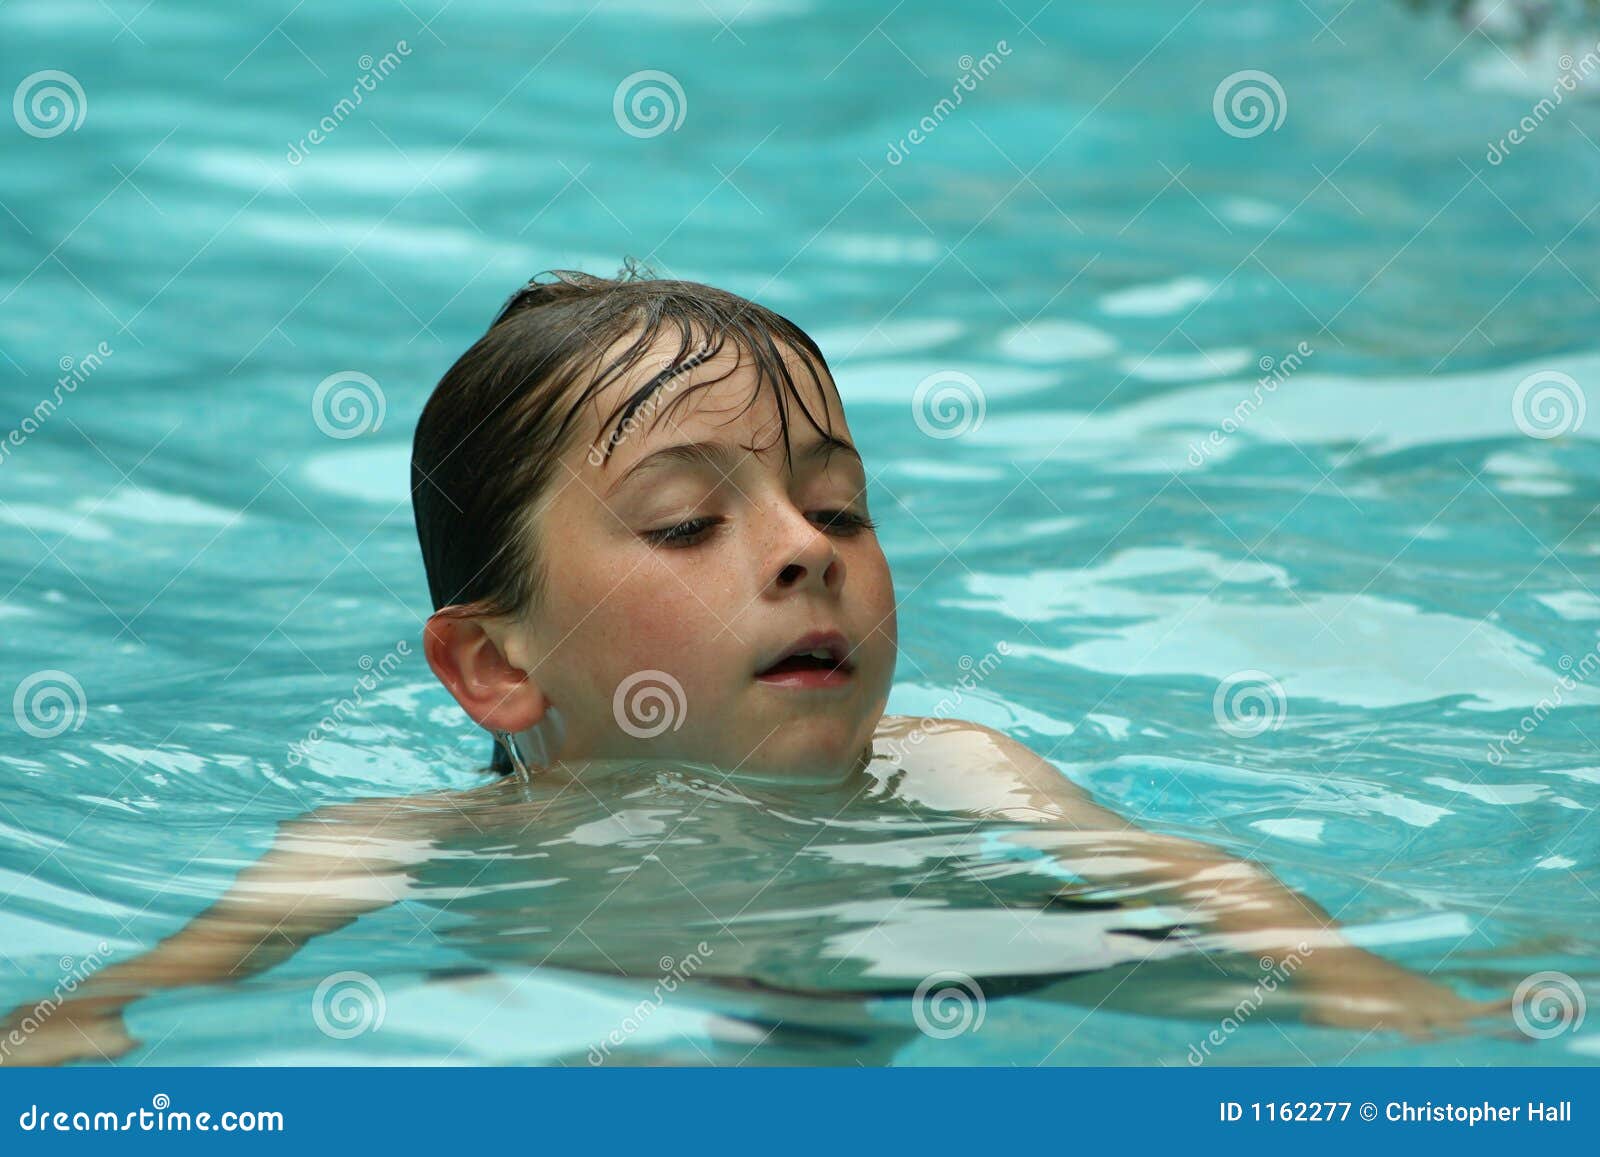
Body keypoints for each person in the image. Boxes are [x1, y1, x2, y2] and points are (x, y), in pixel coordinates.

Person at [1, 267, 1508, 1065]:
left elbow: (1207, 881)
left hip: (942, 969)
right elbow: (140, 990)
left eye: (838, 504)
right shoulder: (407, 844)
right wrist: (78, 1021)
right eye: (685, 522)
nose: (807, 550)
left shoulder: (957, 766)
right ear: (495, 668)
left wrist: (1361, 985)